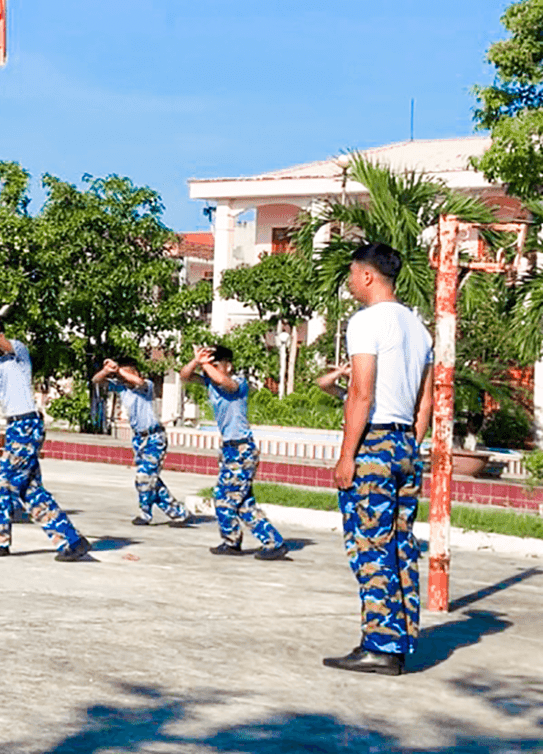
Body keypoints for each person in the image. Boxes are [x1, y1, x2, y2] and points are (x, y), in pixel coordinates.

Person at [316, 242, 433, 676]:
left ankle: (379, 645)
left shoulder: (366, 322)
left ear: (367, 276)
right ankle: (400, 640)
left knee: (370, 545)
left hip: (375, 444)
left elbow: (361, 392)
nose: (349, 281)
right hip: (404, 444)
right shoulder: (420, 329)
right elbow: (426, 403)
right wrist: (411, 445)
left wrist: (348, 455)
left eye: (351, 273)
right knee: (401, 543)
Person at [0, 306, 92, 561]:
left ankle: (1, 541)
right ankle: (71, 540)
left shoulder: (17, 351)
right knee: (30, 490)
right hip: (16, 427)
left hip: (27, 425)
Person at [180, 346, 288, 561]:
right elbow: (184, 376)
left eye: (214, 364)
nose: (208, 370)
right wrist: (196, 361)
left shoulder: (239, 382)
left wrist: (205, 364)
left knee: (224, 498)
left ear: (227, 366)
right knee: (243, 503)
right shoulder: (210, 380)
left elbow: (224, 382)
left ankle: (241, 541)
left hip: (241, 449)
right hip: (229, 449)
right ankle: (264, 542)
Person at [95, 356, 189, 527]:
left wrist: (120, 371)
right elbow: (97, 381)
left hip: (154, 438)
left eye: (125, 372)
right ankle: (178, 512)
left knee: (143, 477)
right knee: (150, 479)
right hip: (139, 439)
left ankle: (145, 514)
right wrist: (107, 370)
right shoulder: (122, 388)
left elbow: (137, 381)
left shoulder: (146, 386)